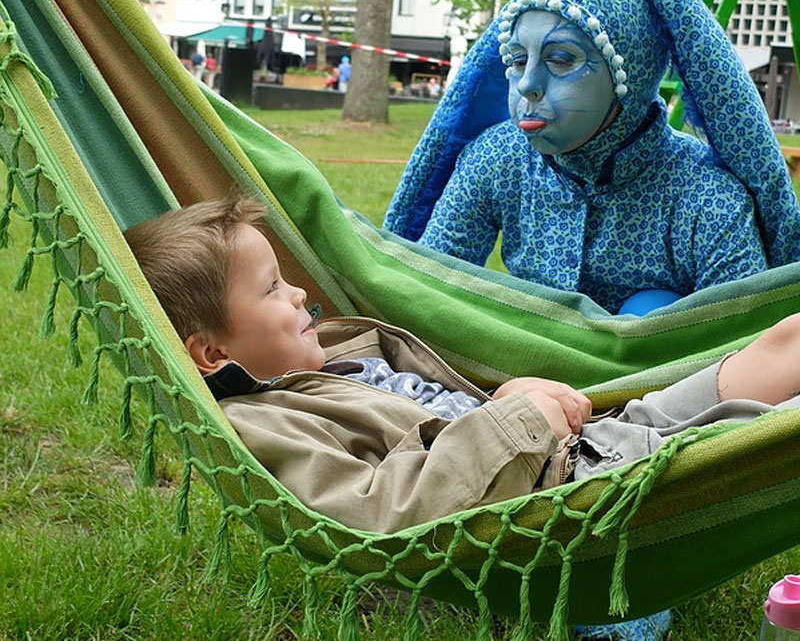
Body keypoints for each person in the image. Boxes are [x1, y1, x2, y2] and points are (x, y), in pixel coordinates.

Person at [125, 195, 800, 537]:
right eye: (272, 289)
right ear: (213, 354)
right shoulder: (268, 423)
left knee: (779, 344)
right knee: (766, 438)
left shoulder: (344, 359)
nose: (299, 293)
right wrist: (515, 423)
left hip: (584, 443)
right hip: (567, 493)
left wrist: (509, 397)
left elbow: (457, 416)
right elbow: (381, 511)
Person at [384, 0, 800, 314]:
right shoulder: (497, 160)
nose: (527, 84)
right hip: (518, 368)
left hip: (662, 374)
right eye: (517, 60)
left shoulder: (707, 200)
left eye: (561, 59)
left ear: (629, 73)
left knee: (651, 309)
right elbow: (429, 290)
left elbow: (745, 345)